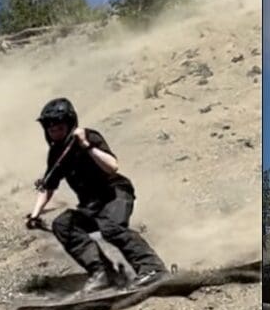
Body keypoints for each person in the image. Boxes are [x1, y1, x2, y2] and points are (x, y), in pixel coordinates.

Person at [26, 97, 166, 293]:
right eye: (49, 127)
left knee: (111, 226)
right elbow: (48, 187)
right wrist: (35, 215)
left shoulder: (89, 137)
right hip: (91, 205)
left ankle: (153, 270)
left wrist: (86, 145)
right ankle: (102, 273)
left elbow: (112, 167)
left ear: (69, 123)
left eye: (58, 125)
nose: (53, 130)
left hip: (115, 194)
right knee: (63, 224)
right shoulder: (56, 153)